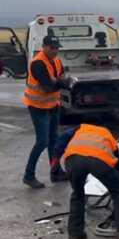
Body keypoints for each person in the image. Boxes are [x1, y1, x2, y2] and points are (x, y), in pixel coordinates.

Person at [50, 123, 119, 239]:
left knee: (77, 195)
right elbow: (117, 162)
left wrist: (54, 168)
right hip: (98, 161)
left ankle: (75, 235)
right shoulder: (107, 135)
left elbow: (59, 144)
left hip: (73, 160)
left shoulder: (79, 129)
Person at [22, 35, 67, 188]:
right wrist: (62, 83)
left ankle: (55, 172)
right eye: (52, 48)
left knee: (54, 140)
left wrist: (60, 82)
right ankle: (29, 175)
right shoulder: (38, 63)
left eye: (57, 48)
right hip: (38, 107)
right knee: (42, 141)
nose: (55, 51)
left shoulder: (56, 60)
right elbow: (49, 87)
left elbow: (61, 78)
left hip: (53, 105)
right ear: (44, 46)